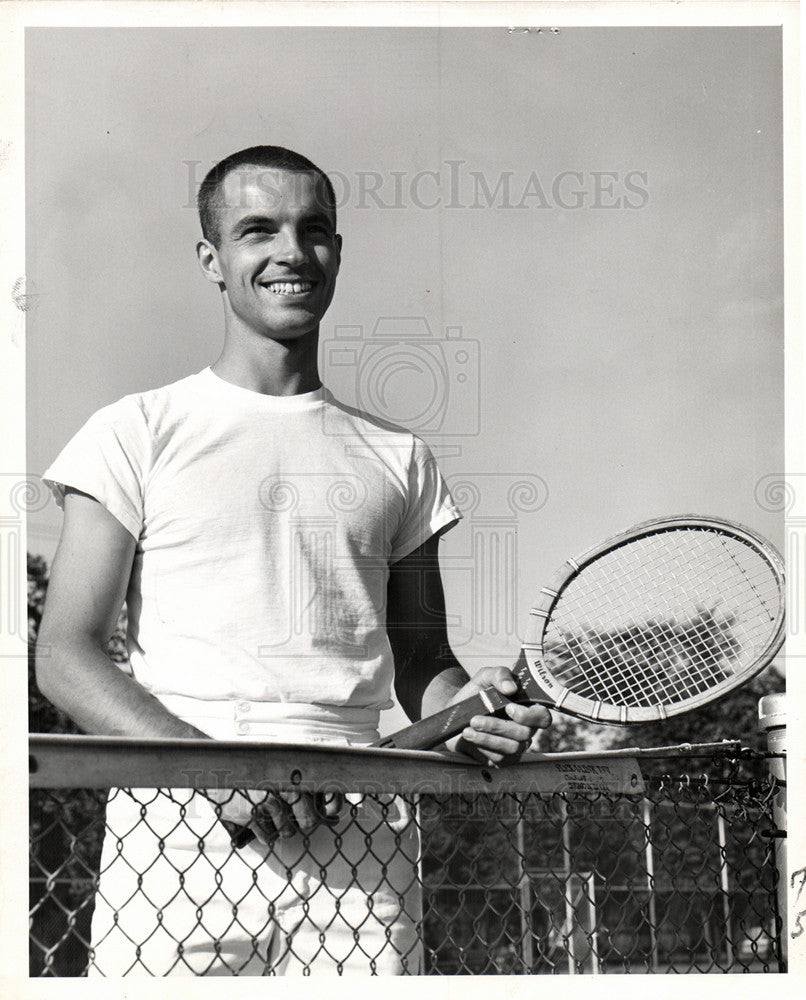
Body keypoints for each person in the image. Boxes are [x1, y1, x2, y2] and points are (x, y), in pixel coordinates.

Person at [36, 145, 551, 976]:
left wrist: (473, 710)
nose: (290, 252)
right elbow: (64, 653)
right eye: (256, 230)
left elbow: (426, 664)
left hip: (365, 837)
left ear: (337, 253)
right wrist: (217, 773)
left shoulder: (400, 457)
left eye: (314, 230)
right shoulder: (133, 429)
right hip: (179, 831)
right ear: (212, 259)